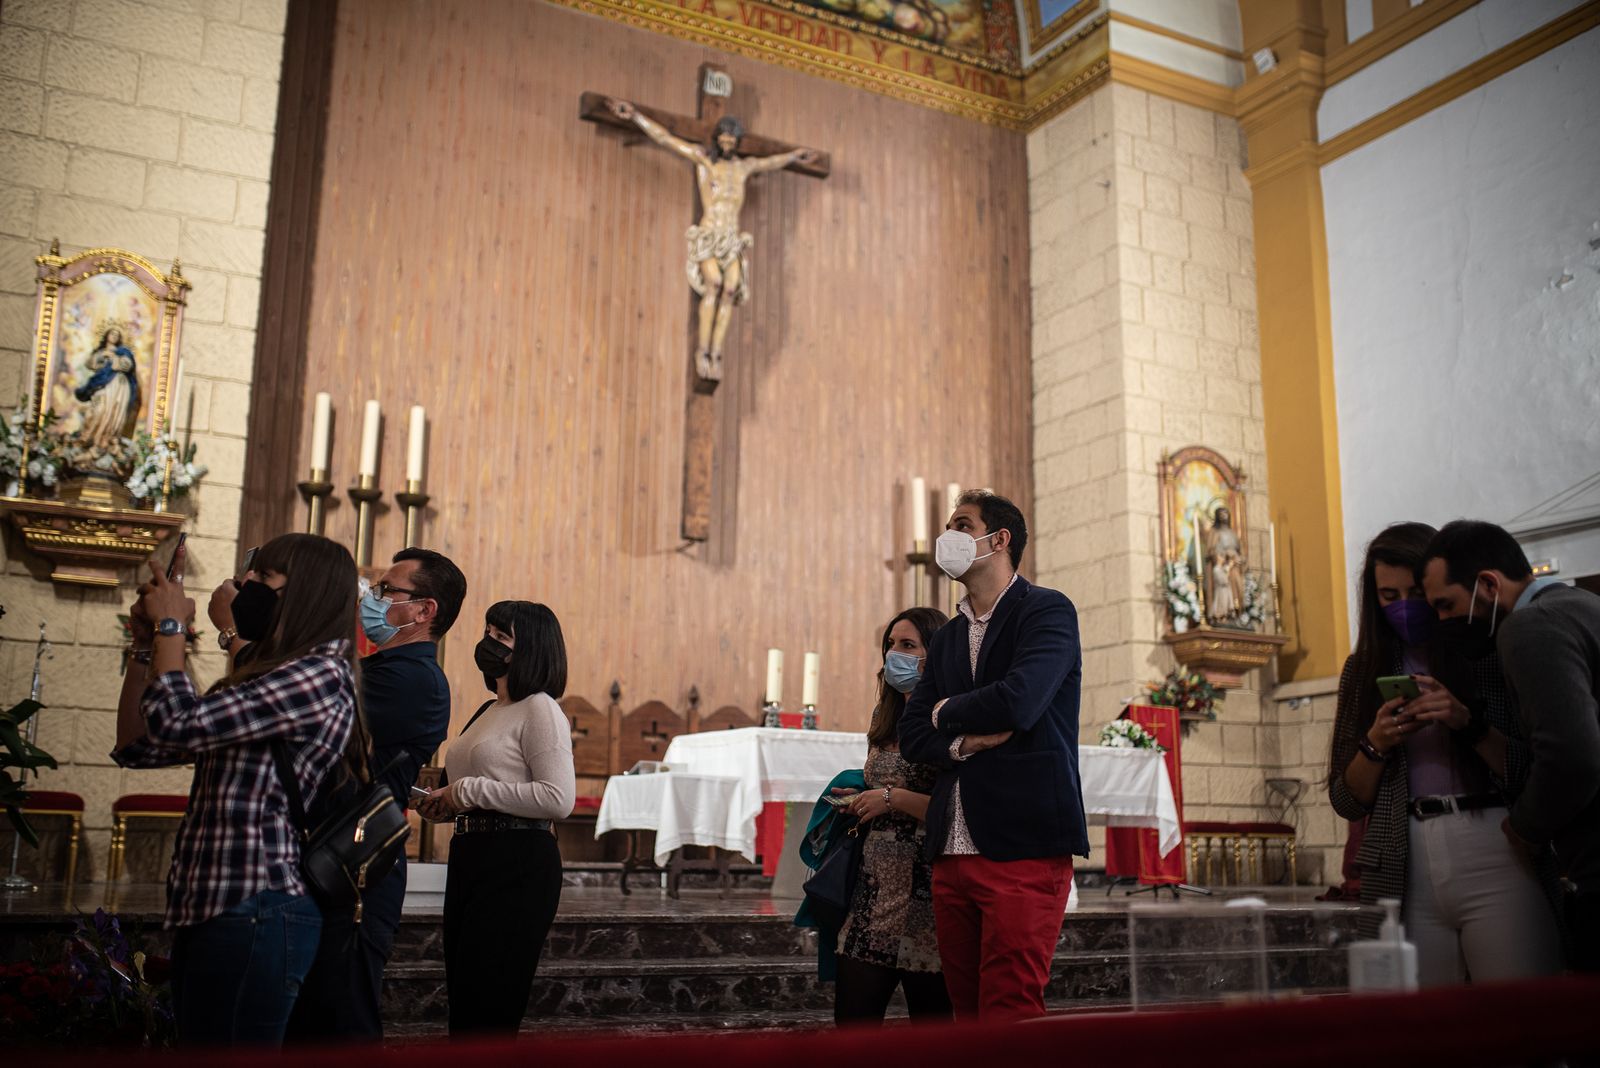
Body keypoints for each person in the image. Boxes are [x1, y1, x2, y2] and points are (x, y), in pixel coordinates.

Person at [112, 534, 362, 1045]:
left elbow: (178, 723)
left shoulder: (319, 674)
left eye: (263, 577)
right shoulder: (268, 676)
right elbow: (140, 743)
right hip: (217, 901)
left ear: (305, 592)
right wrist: (145, 645)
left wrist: (173, 628)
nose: (241, 585)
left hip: (256, 903)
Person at [1329, 522, 1562, 985]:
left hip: (1496, 841)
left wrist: (1465, 721)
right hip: (1404, 855)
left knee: (1520, 1016)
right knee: (1421, 1027)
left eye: (1416, 592)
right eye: (1388, 596)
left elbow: (1533, 771)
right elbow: (1346, 799)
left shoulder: (1491, 652)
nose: (1404, 607)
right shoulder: (1364, 669)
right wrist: (1377, 742)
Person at [898, 490, 1087, 1022]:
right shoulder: (952, 634)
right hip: (951, 850)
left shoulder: (1047, 610)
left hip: (1021, 842)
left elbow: (1021, 700)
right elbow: (913, 734)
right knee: (967, 1015)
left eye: (962, 524)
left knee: (1011, 1011)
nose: (948, 536)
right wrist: (961, 740)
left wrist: (941, 712)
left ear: (998, 539)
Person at [285, 547, 467, 1042]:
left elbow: (305, 715)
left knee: (340, 1018)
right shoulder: (384, 669)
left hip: (355, 865)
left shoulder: (411, 679)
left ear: (424, 610)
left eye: (387, 591)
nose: (373, 599)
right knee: (307, 1015)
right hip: (330, 852)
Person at [1422, 519, 1600, 969]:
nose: (1443, 622)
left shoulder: (1529, 628)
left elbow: (1571, 757)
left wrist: (1525, 828)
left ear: (1487, 583)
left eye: (1447, 605)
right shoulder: (1582, 606)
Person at [416, 600, 575, 1036]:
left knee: (490, 1004)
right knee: (465, 998)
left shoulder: (540, 708)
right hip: (473, 853)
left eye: (502, 637)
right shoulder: (489, 711)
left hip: (518, 861)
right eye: (488, 633)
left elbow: (557, 798)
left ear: (532, 650)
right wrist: (443, 803)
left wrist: (465, 791)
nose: (489, 644)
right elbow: (485, 789)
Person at [830, 606, 952, 1026]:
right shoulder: (887, 717)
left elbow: (960, 809)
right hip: (874, 893)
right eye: (890, 646)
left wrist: (893, 798)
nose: (893, 655)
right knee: (853, 1029)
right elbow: (884, 788)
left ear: (934, 654)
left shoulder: (951, 719)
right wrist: (862, 798)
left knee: (934, 1035)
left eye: (907, 646)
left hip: (930, 898)